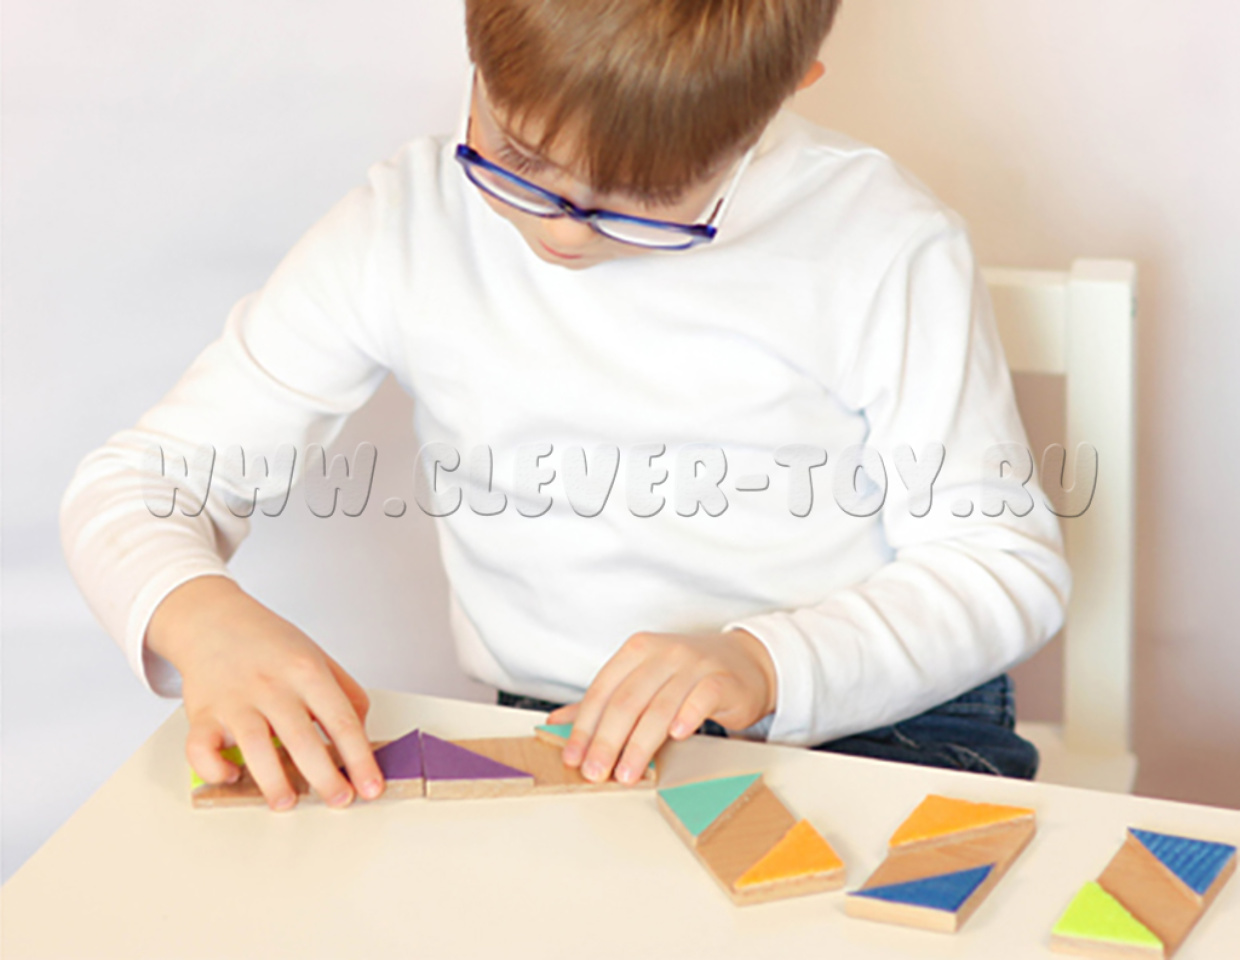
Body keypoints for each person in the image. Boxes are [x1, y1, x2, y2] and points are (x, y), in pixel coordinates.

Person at [60, 0, 1070, 811]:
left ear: (785, 91)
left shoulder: (880, 242)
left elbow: (999, 564)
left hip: (881, 728)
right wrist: (204, 622)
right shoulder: (403, 229)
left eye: (647, 198)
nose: (565, 234)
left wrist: (765, 663)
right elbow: (134, 487)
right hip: (565, 730)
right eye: (519, 160)